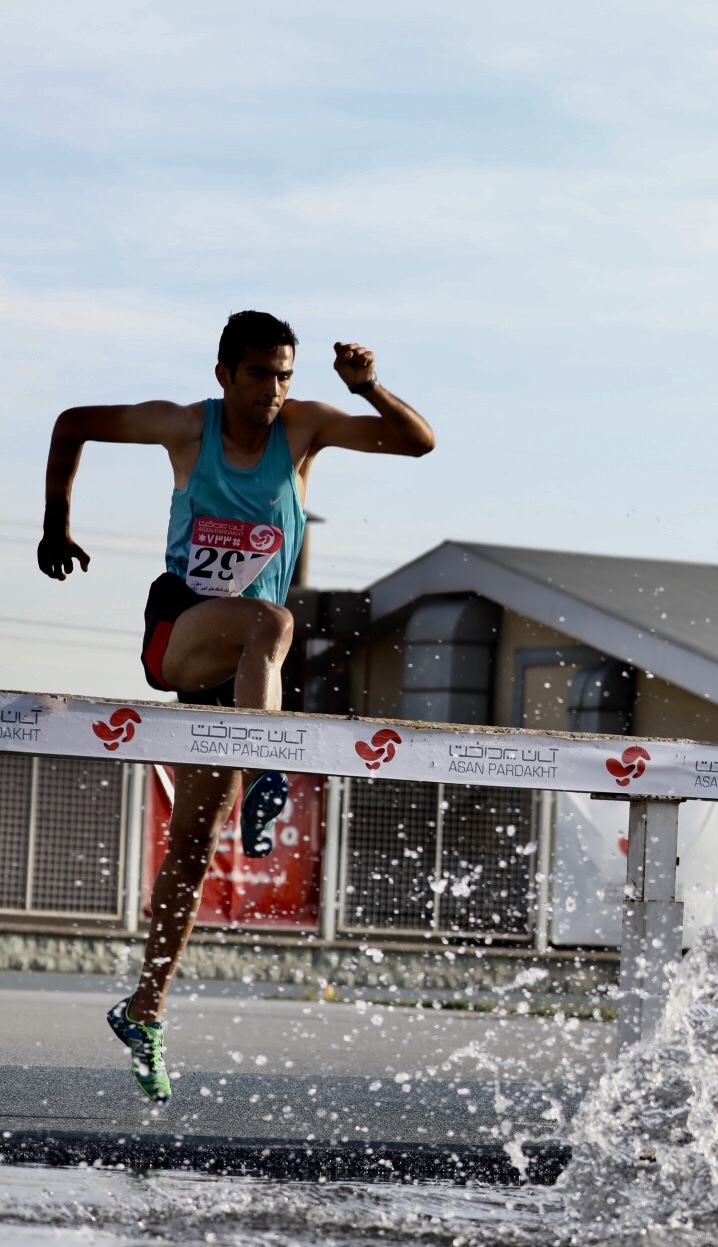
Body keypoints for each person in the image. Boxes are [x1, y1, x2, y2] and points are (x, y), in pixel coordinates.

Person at [37, 311, 435, 1101]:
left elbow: (418, 442)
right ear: (225, 374)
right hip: (181, 631)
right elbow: (70, 422)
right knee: (276, 618)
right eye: (260, 374)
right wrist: (56, 521)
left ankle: (144, 1010)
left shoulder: (306, 428)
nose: (274, 390)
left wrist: (369, 388)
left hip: (245, 675)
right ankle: (268, 768)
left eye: (286, 374)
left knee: (189, 850)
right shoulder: (187, 428)